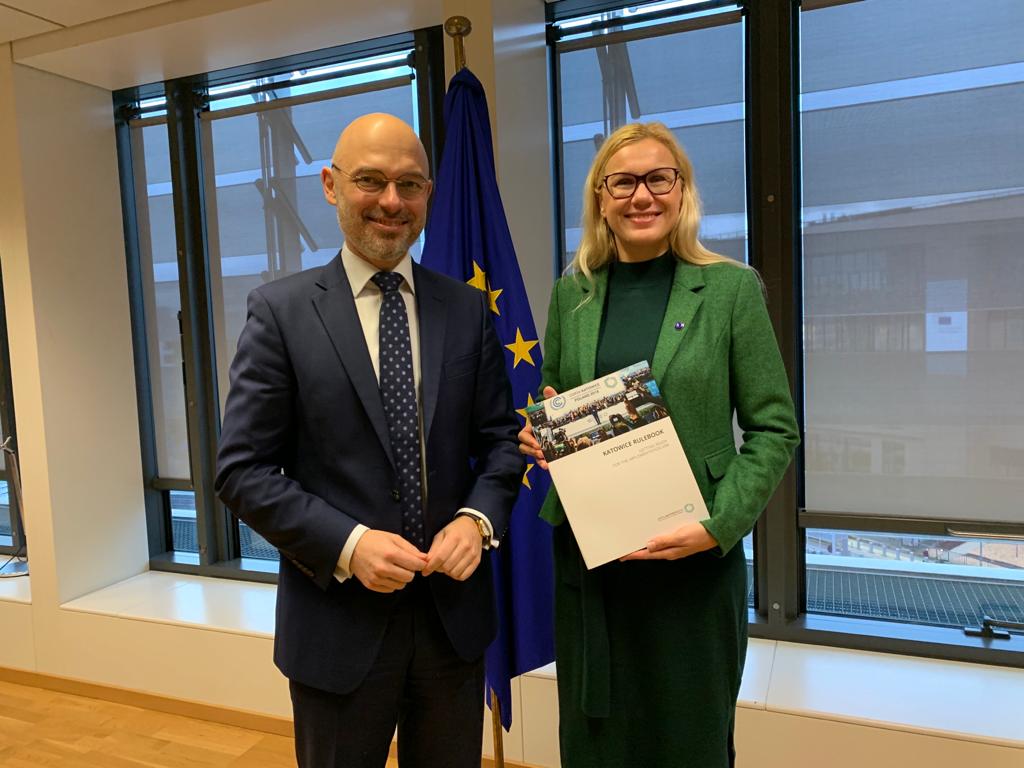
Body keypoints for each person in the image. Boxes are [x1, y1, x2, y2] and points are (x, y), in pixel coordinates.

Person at [216, 113, 524, 768]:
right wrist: (349, 545)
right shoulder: (280, 313)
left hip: (452, 625)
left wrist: (477, 520)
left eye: (409, 184)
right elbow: (241, 471)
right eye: (370, 180)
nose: (391, 201)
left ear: (428, 194)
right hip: (337, 629)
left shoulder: (465, 309)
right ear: (331, 185)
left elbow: (502, 442)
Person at [519, 122, 799, 768]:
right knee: (596, 746)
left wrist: (718, 525)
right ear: (600, 198)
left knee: (688, 742)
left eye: (658, 179)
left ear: (682, 190)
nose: (641, 196)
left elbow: (774, 428)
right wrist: (543, 433)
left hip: (692, 566)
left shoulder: (731, 290)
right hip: (593, 564)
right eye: (622, 182)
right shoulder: (573, 293)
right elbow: (554, 396)